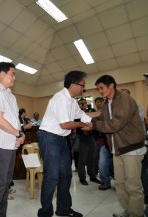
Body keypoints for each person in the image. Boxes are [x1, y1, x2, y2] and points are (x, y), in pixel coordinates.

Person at [37, 70, 100, 217]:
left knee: (66, 175)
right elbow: (65, 124)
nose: (83, 88)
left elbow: (84, 116)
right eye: (82, 85)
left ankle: (63, 209)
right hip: (49, 138)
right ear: (73, 84)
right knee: (52, 176)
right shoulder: (60, 98)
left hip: (61, 139)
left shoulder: (72, 101)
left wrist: (103, 113)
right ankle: (45, 213)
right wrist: (82, 126)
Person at [93, 75, 146, 217]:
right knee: (120, 184)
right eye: (98, 89)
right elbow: (102, 117)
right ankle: (128, 211)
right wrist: (85, 118)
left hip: (131, 148)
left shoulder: (124, 99)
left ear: (111, 85)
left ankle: (136, 214)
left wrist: (93, 125)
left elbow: (115, 124)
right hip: (117, 149)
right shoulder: (107, 103)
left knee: (133, 186)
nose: (100, 91)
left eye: (102, 88)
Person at [0, 62, 25, 217]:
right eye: (12, 74)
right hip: (0, 146)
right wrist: (17, 133)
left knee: (5, 186)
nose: (14, 78)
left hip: (10, 146)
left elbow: (15, 120)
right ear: (2, 74)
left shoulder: (10, 95)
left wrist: (21, 134)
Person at [76, 98, 101, 186]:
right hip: (82, 138)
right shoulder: (76, 113)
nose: (84, 104)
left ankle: (92, 176)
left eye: (85, 102)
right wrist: (81, 110)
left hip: (92, 138)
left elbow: (96, 120)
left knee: (92, 158)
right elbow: (79, 122)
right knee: (82, 159)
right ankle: (82, 178)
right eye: (81, 103)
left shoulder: (91, 111)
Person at [94, 97, 112, 190]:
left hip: (116, 142)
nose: (100, 103)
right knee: (102, 163)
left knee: (117, 164)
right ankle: (106, 182)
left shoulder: (111, 111)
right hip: (103, 142)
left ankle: (121, 182)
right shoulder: (95, 113)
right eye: (98, 101)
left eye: (102, 101)